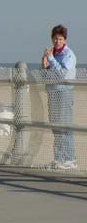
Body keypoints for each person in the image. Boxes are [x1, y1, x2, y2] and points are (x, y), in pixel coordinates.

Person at [42, 24, 77, 169]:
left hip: (64, 92)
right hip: (52, 92)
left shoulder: (69, 54)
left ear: (65, 40)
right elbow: (47, 73)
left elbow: (63, 73)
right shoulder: (53, 53)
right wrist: (45, 63)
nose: (57, 42)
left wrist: (50, 58)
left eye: (60, 39)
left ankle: (69, 159)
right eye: (55, 39)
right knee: (56, 126)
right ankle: (58, 159)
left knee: (65, 125)